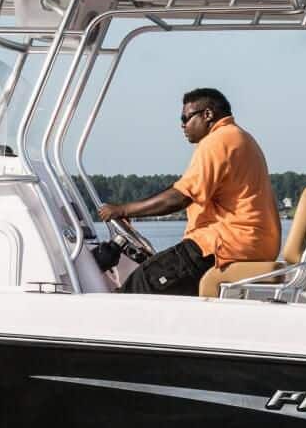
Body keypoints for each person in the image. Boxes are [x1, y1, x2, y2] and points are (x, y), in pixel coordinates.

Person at [96, 87, 280, 295]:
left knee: (140, 283)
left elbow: (179, 198)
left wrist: (123, 210)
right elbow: (182, 187)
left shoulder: (218, 141)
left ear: (208, 114)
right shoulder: (239, 138)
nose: (182, 125)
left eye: (185, 118)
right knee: (157, 274)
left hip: (224, 244)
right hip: (250, 244)